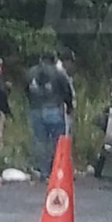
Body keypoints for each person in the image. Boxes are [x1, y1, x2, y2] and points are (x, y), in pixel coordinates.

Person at [25, 51, 74, 180]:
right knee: (58, 142)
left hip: (36, 110)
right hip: (54, 109)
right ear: (54, 60)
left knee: (40, 141)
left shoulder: (30, 73)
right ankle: (57, 170)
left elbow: (26, 90)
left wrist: (32, 104)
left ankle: (44, 172)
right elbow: (67, 91)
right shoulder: (58, 73)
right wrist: (69, 107)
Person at [57, 47, 77, 136]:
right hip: (63, 111)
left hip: (64, 111)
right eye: (71, 62)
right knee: (64, 136)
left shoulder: (64, 74)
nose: (72, 65)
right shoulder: (61, 74)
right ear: (66, 61)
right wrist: (70, 106)